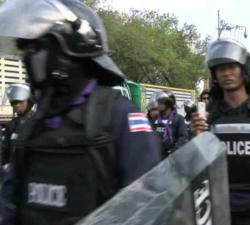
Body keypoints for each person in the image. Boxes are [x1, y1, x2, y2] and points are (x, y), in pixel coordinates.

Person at [0, 0, 161, 224]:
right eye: (25, 50)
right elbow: (8, 207)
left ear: (68, 49)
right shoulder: (34, 126)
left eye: (36, 48)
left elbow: (149, 210)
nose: (28, 58)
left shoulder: (119, 117)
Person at [191, 38, 250, 225]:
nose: (226, 73)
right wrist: (194, 137)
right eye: (220, 68)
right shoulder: (207, 116)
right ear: (214, 75)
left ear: (243, 70)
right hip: (215, 208)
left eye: (232, 67)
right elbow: (196, 166)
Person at [1, 84, 35, 166]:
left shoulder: (38, 123)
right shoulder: (11, 125)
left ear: (29, 102)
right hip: (14, 172)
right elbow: (4, 149)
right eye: (13, 102)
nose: (16, 105)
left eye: (20, 101)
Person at [153, 91, 188, 158]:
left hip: (172, 158)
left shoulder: (178, 119)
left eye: (161, 101)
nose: (158, 103)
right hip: (157, 158)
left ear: (169, 103)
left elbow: (183, 137)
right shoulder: (154, 119)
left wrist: (174, 150)